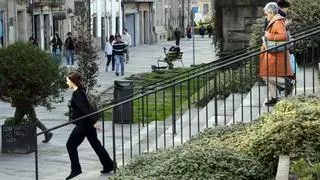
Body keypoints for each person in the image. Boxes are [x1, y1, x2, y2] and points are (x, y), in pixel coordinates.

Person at [65, 72, 115, 179]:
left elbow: (85, 109)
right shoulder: (81, 91)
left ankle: (76, 169)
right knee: (95, 143)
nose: (67, 82)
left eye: (68, 81)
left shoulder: (77, 94)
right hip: (88, 123)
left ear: (73, 82)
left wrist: (93, 122)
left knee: (70, 145)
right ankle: (109, 165)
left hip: (84, 124)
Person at [260, 2, 293, 106]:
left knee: (266, 76)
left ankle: (286, 83)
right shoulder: (275, 20)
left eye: (266, 14)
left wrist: (268, 36)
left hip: (275, 54)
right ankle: (274, 98)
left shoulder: (277, 21)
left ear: (271, 12)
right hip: (272, 54)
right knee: (267, 76)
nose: (265, 16)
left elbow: (283, 36)